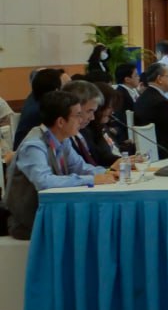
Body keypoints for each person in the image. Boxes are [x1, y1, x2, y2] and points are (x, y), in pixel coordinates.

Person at [6, 91, 116, 240]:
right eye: (78, 115)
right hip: (31, 221)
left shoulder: (62, 139)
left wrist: (109, 173)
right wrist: (91, 180)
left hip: (55, 214)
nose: (82, 119)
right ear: (60, 122)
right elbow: (44, 182)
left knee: (99, 222)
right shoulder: (34, 146)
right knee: (93, 228)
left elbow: (80, 167)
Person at [132, 63, 168, 160]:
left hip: (147, 152)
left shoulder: (142, 98)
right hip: (166, 153)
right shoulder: (162, 103)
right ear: (159, 79)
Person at [13, 68, 69, 153]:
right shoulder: (41, 111)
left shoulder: (35, 99)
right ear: (56, 90)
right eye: (65, 87)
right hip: (29, 154)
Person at [84, 82, 123, 169]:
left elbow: (113, 151)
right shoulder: (87, 132)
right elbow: (100, 160)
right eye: (109, 107)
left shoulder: (103, 126)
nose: (112, 112)